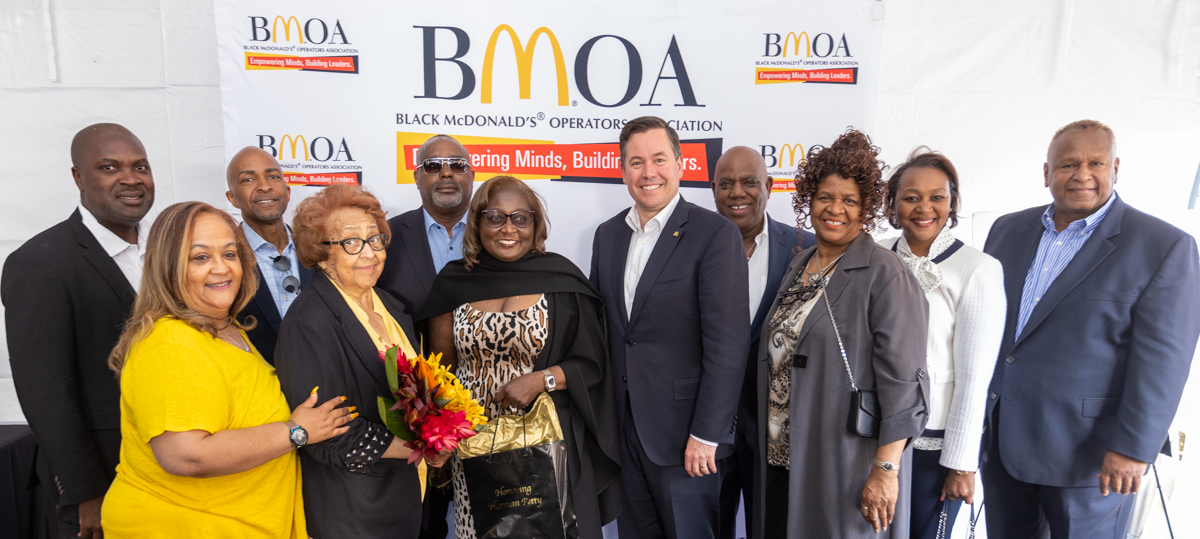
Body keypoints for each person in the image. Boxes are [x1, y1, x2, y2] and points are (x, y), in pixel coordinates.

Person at [981, 120, 1200, 538]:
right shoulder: (1007, 230)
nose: (1082, 174)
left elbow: (1165, 363)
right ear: (1046, 172)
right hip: (1003, 445)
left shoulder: (1163, 245)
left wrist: (1133, 449)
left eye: (1095, 163)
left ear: (1115, 168)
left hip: (1091, 459)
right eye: (1068, 164)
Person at [100, 201, 352, 538]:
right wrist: (297, 431)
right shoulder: (171, 342)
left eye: (230, 254)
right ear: (168, 266)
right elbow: (186, 456)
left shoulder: (227, 329)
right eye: (200, 257)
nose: (221, 268)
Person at [750, 129, 930, 539]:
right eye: (825, 197)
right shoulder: (800, 264)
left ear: (867, 207)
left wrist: (886, 470)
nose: (835, 209)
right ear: (808, 201)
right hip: (782, 457)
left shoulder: (886, 273)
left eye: (849, 200)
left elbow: (905, 383)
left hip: (845, 463)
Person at [420, 175, 621, 539]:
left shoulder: (561, 280)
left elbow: (593, 364)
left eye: (520, 218)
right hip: (475, 449)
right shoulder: (453, 282)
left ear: (535, 223)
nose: (508, 228)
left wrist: (541, 379)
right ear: (478, 222)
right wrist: (440, 438)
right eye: (495, 217)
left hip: (545, 447)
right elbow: (440, 376)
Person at [590, 116, 749, 539]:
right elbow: (605, 331)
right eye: (636, 162)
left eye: (659, 159)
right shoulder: (607, 236)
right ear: (623, 170)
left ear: (680, 164)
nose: (649, 172)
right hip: (624, 438)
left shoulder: (715, 234)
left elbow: (728, 346)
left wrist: (707, 434)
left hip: (688, 442)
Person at [2, 123, 154, 539]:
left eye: (140, 166)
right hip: (103, 477)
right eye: (109, 167)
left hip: (173, 466)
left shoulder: (167, 250)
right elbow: (45, 393)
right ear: (78, 178)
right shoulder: (40, 263)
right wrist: (85, 491)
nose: (131, 178)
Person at [274, 185, 447, 539]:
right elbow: (326, 434)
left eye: (375, 238)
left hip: (406, 500)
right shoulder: (308, 321)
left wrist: (437, 433)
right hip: (355, 511)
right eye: (351, 242)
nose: (370, 253)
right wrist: (420, 448)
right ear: (322, 255)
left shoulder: (389, 304)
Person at [878, 148, 1005, 538]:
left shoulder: (978, 268)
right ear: (893, 203)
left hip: (934, 443)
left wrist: (962, 464)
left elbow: (975, 377)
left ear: (952, 203)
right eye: (911, 197)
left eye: (937, 197)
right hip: (871, 433)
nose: (924, 208)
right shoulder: (875, 253)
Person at [708, 145, 813, 539]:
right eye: (726, 184)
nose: (737, 192)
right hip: (707, 429)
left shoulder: (807, 249)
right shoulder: (690, 246)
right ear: (713, 189)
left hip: (777, 429)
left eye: (750, 182)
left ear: (769, 186)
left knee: (770, 527)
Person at [376, 135, 475, 539]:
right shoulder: (385, 238)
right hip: (413, 416)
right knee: (423, 525)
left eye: (457, 164)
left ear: (471, 174)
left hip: (489, 407)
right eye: (433, 166)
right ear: (417, 177)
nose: (446, 173)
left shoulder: (500, 231)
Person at [226, 146, 313, 365]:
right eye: (248, 180)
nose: (265, 186)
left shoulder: (317, 249)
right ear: (232, 198)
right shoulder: (224, 261)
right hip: (259, 381)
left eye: (273, 176)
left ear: (288, 191)